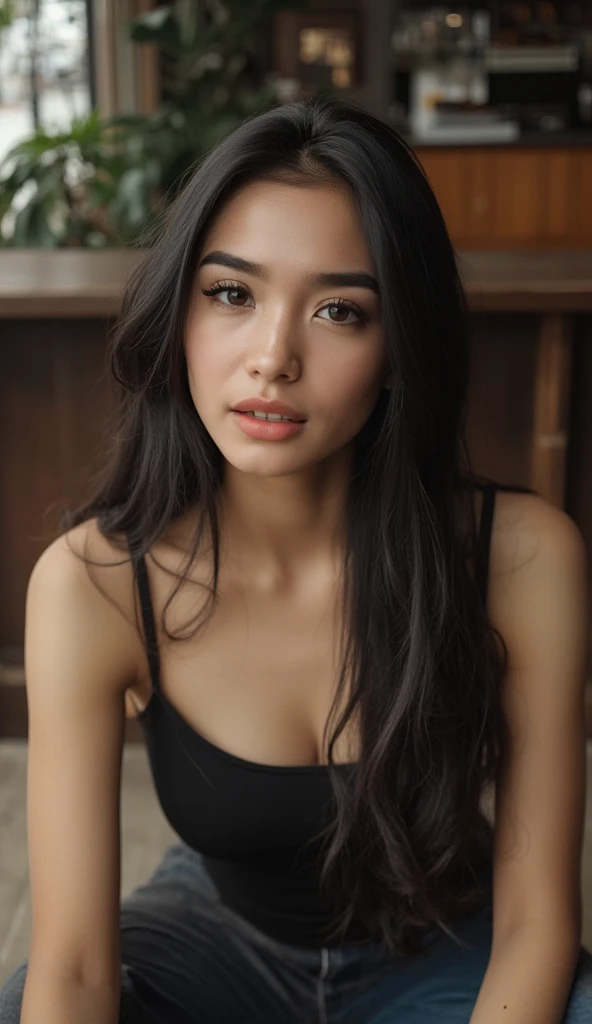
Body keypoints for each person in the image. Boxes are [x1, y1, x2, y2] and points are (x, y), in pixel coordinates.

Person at [1, 94, 591, 1024]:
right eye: (231, 293)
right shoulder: (96, 583)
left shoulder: (520, 561)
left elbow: (540, 922)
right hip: (212, 944)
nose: (272, 357)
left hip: (449, 947)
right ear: (180, 311)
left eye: (339, 311)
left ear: (400, 346)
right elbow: (72, 966)